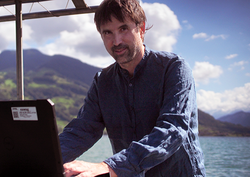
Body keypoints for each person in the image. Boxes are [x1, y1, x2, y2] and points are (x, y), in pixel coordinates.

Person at [59, 0, 206, 176]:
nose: (116, 41)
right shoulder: (102, 82)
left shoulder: (174, 68)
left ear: (141, 29)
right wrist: (42, 158)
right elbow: (81, 131)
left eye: (123, 29)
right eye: (108, 33)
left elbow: (172, 129)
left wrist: (109, 166)